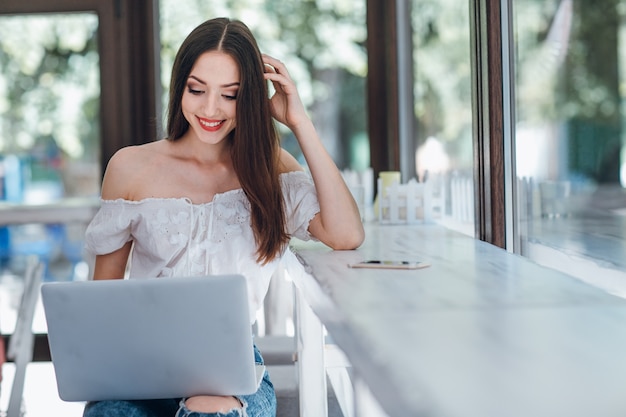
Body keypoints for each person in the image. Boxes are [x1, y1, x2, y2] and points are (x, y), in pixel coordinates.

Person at [82, 17, 364, 417]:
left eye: (230, 95)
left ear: (249, 98)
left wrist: (300, 123)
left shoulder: (271, 169)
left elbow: (345, 233)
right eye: (197, 90)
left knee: (210, 411)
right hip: (141, 354)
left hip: (231, 364)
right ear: (179, 86)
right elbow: (102, 300)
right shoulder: (130, 168)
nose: (210, 109)